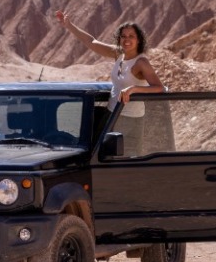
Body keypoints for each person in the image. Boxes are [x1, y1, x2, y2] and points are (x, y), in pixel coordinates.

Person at [55, 10, 164, 155]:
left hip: (130, 118)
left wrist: (133, 89)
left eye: (131, 36)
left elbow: (159, 88)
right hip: (111, 113)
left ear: (139, 40)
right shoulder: (118, 54)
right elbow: (91, 42)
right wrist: (69, 25)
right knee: (103, 156)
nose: (127, 39)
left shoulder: (141, 62)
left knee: (126, 158)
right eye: (123, 36)